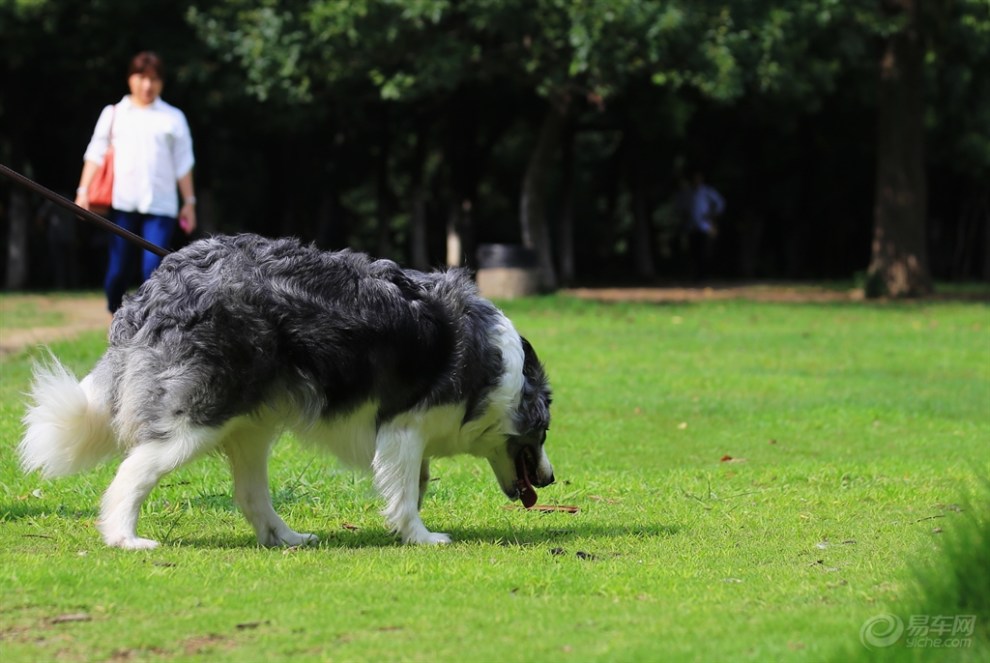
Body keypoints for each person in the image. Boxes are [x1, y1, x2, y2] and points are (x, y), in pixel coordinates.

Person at [75, 51, 197, 313]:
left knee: (153, 270)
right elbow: (95, 154)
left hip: (161, 206)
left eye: (154, 79)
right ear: (130, 78)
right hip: (123, 203)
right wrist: (83, 191)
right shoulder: (115, 113)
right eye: (141, 77)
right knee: (118, 271)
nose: (147, 85)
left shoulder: (173, 117)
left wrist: (189, 202)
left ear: (162, 82)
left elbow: (183, 163)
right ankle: (115, 315)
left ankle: (149, 324)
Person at [681, 171, 725, 281]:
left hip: (705, 226)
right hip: (691, 227)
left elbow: (720, 203)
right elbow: (681, 207)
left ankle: (705, 275)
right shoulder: (687, 192)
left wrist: (712, 216)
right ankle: (695, 275)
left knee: (704, 251)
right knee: (693, 252)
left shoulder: (707, 191)